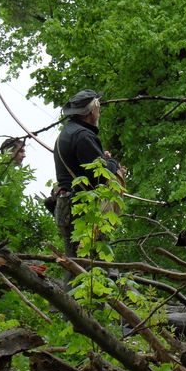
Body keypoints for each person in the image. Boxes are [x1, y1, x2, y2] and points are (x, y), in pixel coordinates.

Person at [53, 89, 122, 259]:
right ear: (92, 110)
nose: (99, 111)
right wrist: (113, 163)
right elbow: (100, 176)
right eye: (98, 107)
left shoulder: (68, 133)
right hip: (85, 212)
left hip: (68, 209)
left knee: (76, 264)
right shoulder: (83, 136)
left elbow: (85, 167)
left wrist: (102, 159)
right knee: (93, 264)